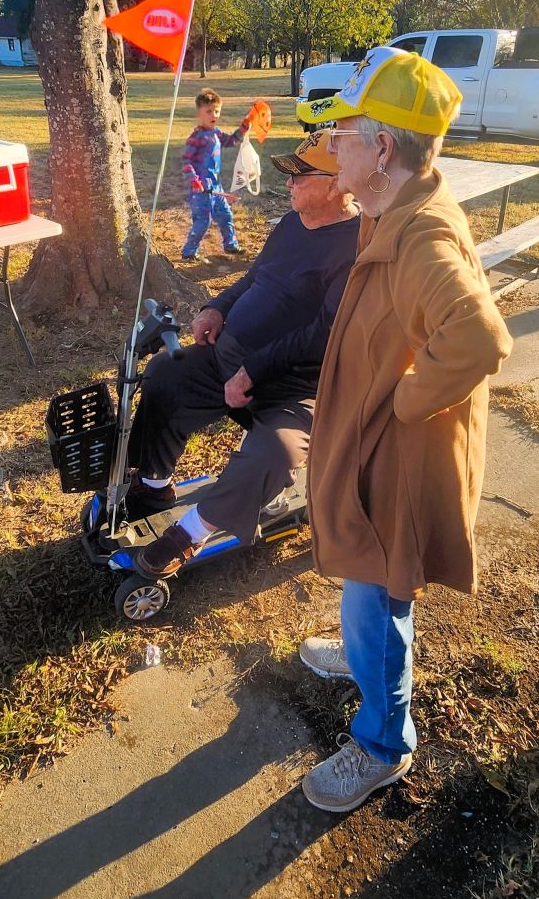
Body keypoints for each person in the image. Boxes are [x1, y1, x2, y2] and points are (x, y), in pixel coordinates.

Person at [295, 46, 513, 813]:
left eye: (345, 137)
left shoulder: (421, 236)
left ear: (382, 149)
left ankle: (384, 744)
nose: (331, 149)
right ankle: (364, 658)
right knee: (367, 583)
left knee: (377, 592)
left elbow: (479, 339)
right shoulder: (392, 202)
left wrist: (407, 402)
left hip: (400, 458)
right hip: (376, 445)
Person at [121, 128, 361, 581]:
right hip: (229, 359)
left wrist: (254, 369)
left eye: (300, 176)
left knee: (275, 450)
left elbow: (324, 333)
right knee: (165, 375)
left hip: (294, 388)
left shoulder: (354, 245)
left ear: (336, 184)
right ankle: (154, 487)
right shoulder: (293, 223)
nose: (289, 184)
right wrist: (218, 306)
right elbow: (256, 277)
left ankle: (190, 533)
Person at [181, 88, 254, 261]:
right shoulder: (196, 137)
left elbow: (230, 141)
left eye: (216, 111)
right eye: (208, 111)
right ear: (199, 113)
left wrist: (243, 129)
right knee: (202, 222)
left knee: (225, 215)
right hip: (200, 190)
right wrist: (194, 181)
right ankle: (189, 252)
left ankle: (231, 245)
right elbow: (186, 161)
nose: (213, 115)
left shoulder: (216, 133)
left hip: (215, 186)